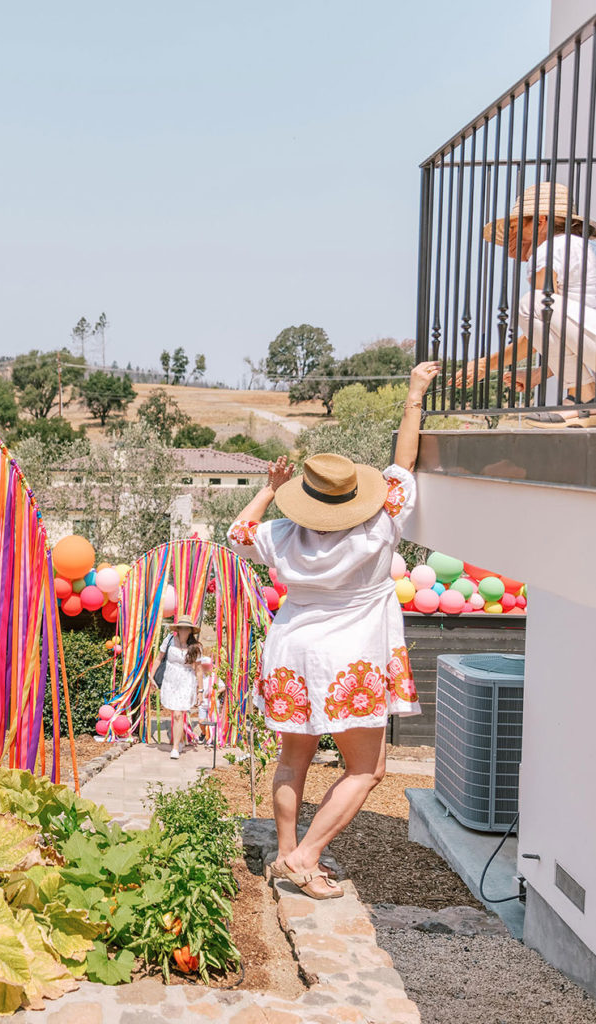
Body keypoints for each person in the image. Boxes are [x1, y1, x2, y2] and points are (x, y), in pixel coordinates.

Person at [227, 361, 440, 899]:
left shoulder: (280, 534)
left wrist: (271, 489)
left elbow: (236, 533)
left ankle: (282, 853)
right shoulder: (382, 521)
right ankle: (305, 858)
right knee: (367, 769)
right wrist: (414, 392)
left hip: (291, 651)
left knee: (293, 757)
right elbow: (404, 460)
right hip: (351, 659)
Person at [456, 182, 596, 426]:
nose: (511, 235)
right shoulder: (578, 246)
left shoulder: (550, 248)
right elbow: (573, 335)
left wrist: (483, 365)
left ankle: (583, 401)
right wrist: (539, 374)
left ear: (540, 222)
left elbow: (539, 323)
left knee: (532, 304)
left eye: (515, 226)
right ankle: (582, 400)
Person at [150, 615, 203, 759]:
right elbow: (158, 658)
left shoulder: (195, 647)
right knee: (175, 713)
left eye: (187, 628)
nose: (184, 630)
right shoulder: (169, 640)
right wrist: (151, 676)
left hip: (186, 681)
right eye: (182, 628)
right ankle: (180, 740)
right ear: (178, 629)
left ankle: (174, 748)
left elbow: (198, 670)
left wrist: (200, 691)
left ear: (191, 630)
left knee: (179, 714)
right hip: (170, 680)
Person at [197, 654, 226, 744]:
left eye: (207, 666)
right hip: (202, 704)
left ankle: (212, 739)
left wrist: (214, 692)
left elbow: (223, 687)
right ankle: (204, 733)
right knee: (201, 722)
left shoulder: (215, 676)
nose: (205, 668)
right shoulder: (199, 676)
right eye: (203, 666)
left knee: (213, 722)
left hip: (213, 704)